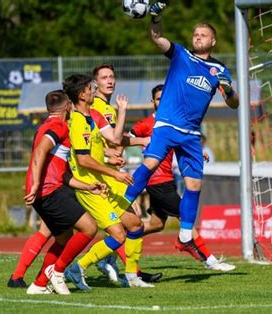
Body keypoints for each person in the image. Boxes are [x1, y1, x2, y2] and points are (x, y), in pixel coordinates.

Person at [123, 5, 239, 254]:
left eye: (203, 34)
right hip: (166, 124)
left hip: (191, 133)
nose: (197, 37)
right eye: (195, 34)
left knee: (194, 184)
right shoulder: (181, 54)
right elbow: (157, 38)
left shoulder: (218, 70)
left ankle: (186, 236)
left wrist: (228, 90)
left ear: (213, 40)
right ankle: (120, 204)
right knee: (151, 163)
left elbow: (234, 104)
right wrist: (155, 16)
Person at [101, 84, 235, 277]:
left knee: (156, 224)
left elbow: (183, 145)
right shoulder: (147, 123)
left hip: (167, 179)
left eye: (164, 98)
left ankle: (112, 243)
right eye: (157, 99)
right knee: (184, 218)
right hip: (156, 181)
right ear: (152, 102)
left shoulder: (175, 122)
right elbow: (119, 139)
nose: (161, 102)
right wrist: (125, 151)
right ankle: (210, 260)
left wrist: (198, 153)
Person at [63, 74, 154, 289]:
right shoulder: (77, 122)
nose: (93, 89)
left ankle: (132, 276)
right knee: (118, 234)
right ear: (81, 94)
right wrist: (114, 173)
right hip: (90, 187)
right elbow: (83, 159)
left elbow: (96, 147)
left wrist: (107, 156)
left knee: (135, 224)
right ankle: (77, 268)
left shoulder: (89, 117)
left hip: (103, 181)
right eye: (89, 87)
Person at [22, 90, 105, 295]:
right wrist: (36, 184)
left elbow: (60, 171)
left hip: (47, 189)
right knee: (89, 228)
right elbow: (41, 151)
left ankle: (39, 284)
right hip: (48, 190)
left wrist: (87, 186)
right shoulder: (58, 126)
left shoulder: (44, 126)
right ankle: (58, 272)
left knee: (64, 236)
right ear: (68, 105)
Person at [89, 63, 162, 284]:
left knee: (130, 223)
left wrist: (140, 141)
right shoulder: (95, 107)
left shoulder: (109, 109)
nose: (109, 80)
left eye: (112, 76)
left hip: (112, 173)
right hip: (98, 175)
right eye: (104, 77)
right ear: (95, 83)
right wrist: (108, 155)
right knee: (128, 224)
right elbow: (98, 142)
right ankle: (76, 268)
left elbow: (115, 139)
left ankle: (123, 269)